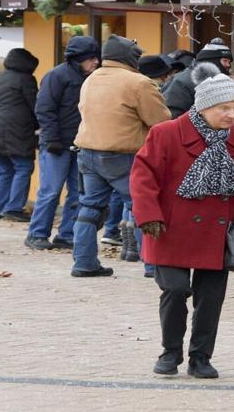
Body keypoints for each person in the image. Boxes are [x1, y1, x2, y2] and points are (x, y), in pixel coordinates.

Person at [130, 74, 234, 377]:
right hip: (168, 228)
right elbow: (144, 178)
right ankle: (170, 352)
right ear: (204, 107)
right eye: (224, 107)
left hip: (217, 232)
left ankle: (201, 357)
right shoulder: (166, 134)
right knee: (175, 289)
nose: (231, 115)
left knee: (210, 298)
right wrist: (149, 216)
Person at [69, 35, 170, 278]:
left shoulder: (90, 79)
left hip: (88, 153)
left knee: (90, 208)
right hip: (125, 155)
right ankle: (152, 265)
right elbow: (161, 122)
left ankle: (84, 263)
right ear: (130, 57)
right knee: (141, 207)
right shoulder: (138, 82)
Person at [26, 35, 100, 250]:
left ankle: (66, 234)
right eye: (91, 58)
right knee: (50, 191)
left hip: (80, 143)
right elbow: (44, 109)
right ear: (78, 59)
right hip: (56, 145)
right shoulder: (57, 76)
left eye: (96, 58)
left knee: (77, 194)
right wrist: (52, 139)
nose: (95, 62)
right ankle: (37, 234)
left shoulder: (91, 78)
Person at [0, 47, 40, 224]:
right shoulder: (25, 79)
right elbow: (35, 105)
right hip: (16, 128)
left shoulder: (0, 78)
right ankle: (14, 208)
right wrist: (42, 124)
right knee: (23, 167)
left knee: (4, 170)